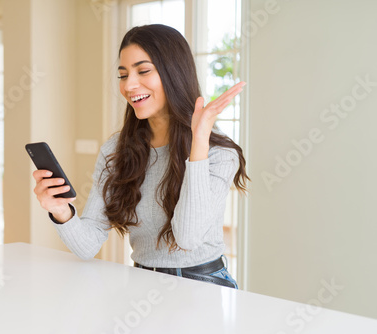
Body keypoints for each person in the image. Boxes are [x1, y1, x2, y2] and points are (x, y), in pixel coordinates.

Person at [32, 24, 249, 289]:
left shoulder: (218, 153)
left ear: (174, 73)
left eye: (143, 71)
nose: (129, 85)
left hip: (203, 284)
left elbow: (188, 238)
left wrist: (199, 142)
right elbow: (87, 246)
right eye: (123, 75)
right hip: (142, 281)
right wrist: (60, 211)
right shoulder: (117, 149)